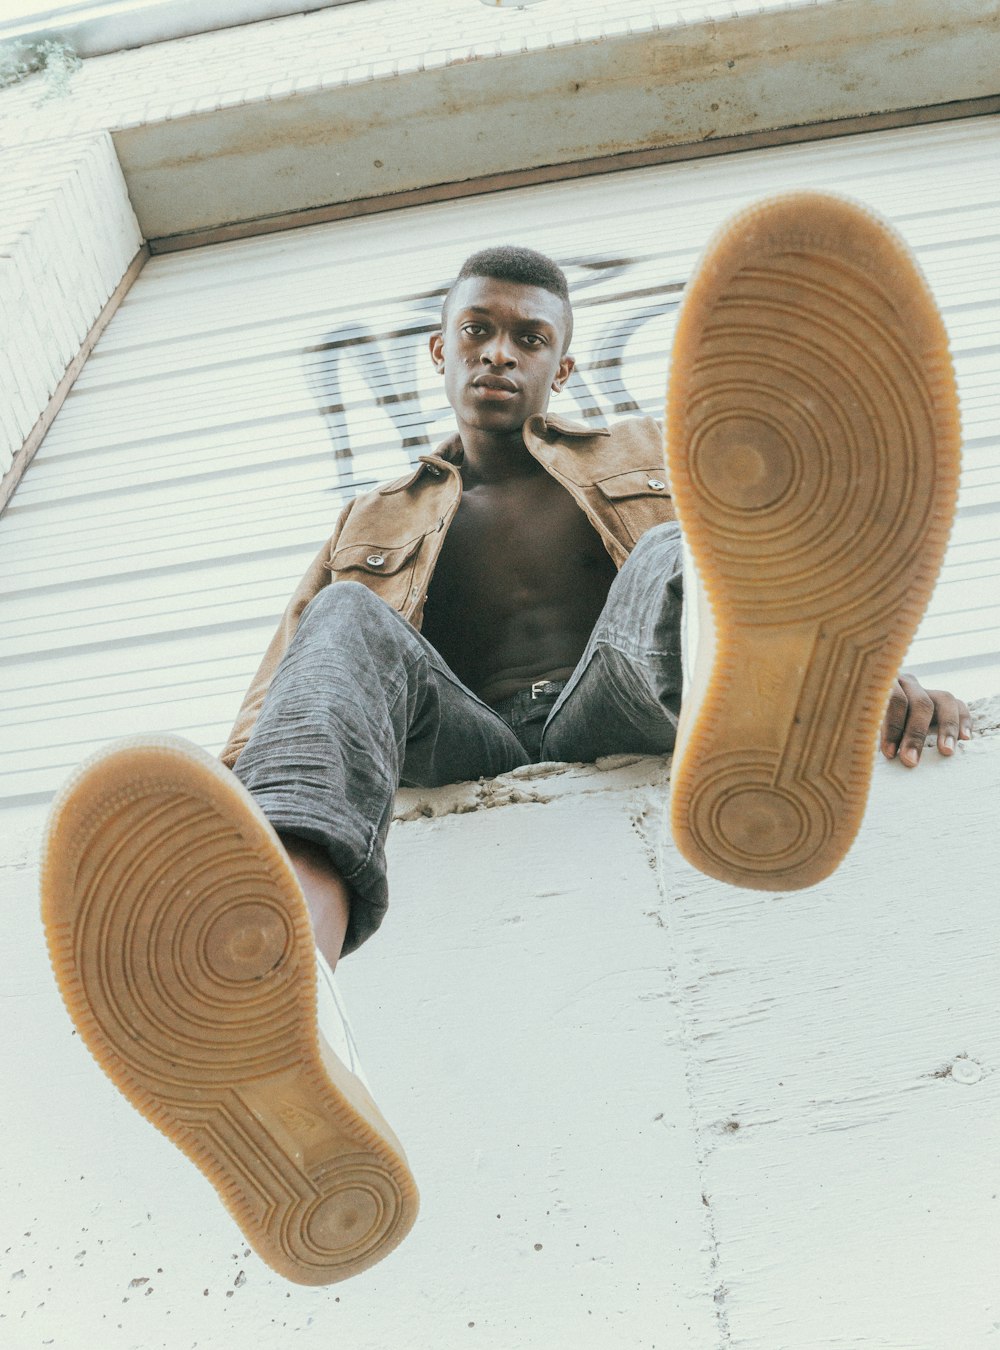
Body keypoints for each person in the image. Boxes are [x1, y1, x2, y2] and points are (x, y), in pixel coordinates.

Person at [41, 192, 971, 1287]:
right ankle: (272, 972)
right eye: (479, 330)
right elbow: (301, 679)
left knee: (682, 549)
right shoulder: (372, 516)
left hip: (619, 698)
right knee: (347, 615)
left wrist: (864, 686)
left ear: (561, 368)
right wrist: (221, 826)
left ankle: (774, 723)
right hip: (462, 737)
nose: (499, 354)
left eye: (530, 338)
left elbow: (768, 577)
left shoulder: (640, 448)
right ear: (440, 348)